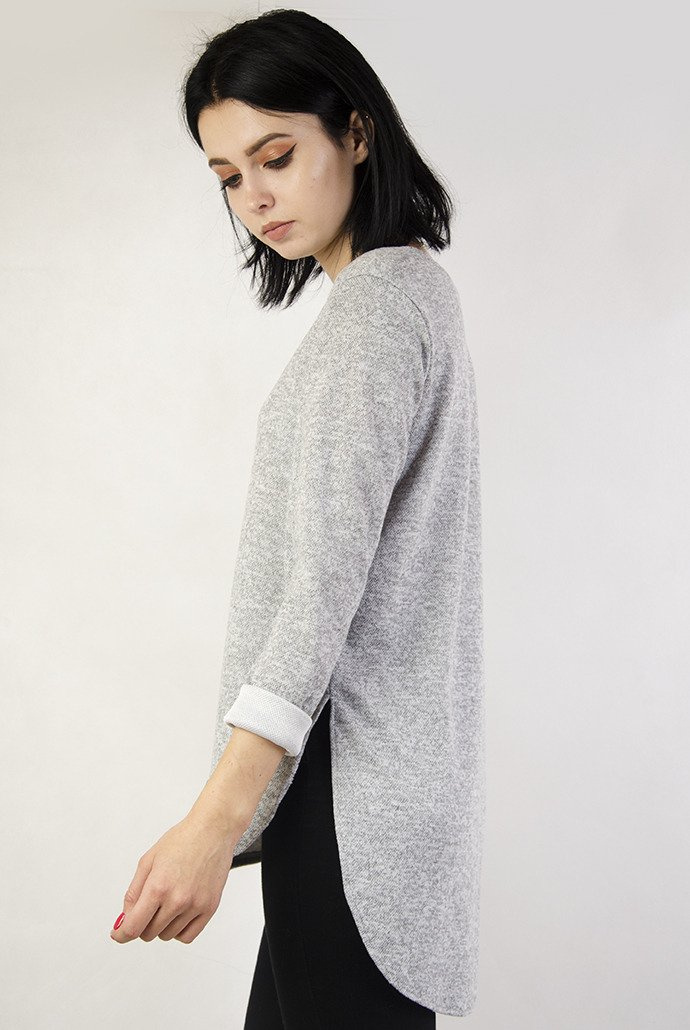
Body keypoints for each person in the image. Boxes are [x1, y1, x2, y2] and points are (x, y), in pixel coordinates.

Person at [110, 9, 486, 1028]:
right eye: (229, 176)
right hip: (366, 789)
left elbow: (320, 594)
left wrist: (211, 821)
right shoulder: (410, 295)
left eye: (275, 156)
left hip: (348, 798)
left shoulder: (378, 311)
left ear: (355, 132)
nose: (256, 197)